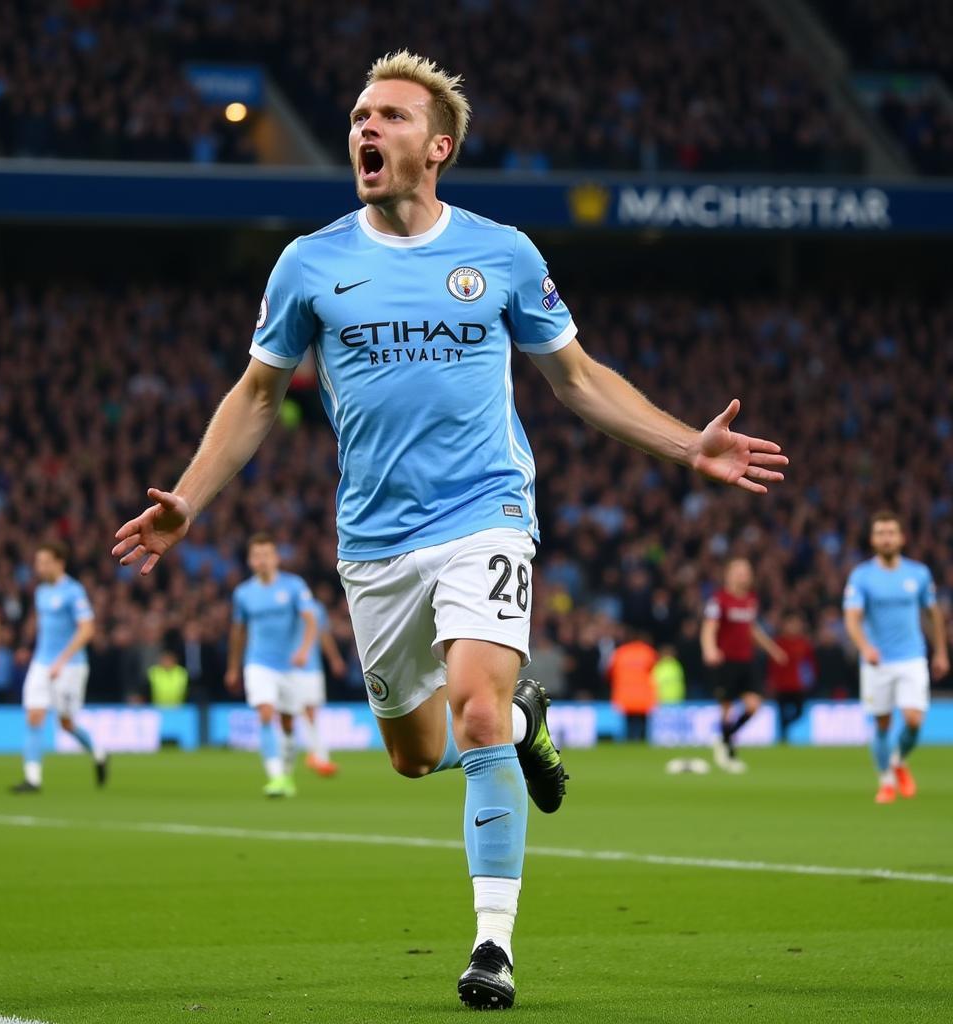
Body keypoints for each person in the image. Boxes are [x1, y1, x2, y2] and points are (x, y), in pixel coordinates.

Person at [112, 50, 786, 1009]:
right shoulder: (310, 263)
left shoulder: (503, 253)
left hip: (487, 514)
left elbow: (578, 379)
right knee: (417, 753)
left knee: (471, 710)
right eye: (357, 116)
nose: (363, 130)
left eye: (386, 116)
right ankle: (527, 724)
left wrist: (687, 447)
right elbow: (260, 395)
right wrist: (189, 498)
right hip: (375, 542)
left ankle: (493, 947)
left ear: (438, 147)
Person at [843, 511, 948, 804]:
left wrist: (940, 650)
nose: (886, 538)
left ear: (902, 537)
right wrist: (865, 647)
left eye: (891, 532)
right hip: (877, 660)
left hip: (912, 656)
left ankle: (898, 760)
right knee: (882, 724)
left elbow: (932, 613)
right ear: (872, 539)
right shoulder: (862, 576)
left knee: (914, 720)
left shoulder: (918, 573)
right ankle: (886, 780)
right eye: (880, 533)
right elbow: (852, 619)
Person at [225, 535, 317, 797]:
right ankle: (275, 777)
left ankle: (286, 775)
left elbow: (311, 622)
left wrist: (303, 651)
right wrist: (233, 668)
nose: (262, 561)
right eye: (257, 556)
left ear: (276, 557)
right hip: (258, 663)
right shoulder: (243, 593)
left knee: (288, 723)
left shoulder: (294, 586)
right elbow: (238, 632)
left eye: (266, 555)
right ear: (250, 560)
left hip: (289, 666)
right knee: (266, 714)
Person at [11, 542, 107, 793]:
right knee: (34, 716)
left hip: (70, 666)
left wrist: (62, 661)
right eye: (37, 562)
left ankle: (98, 752)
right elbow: (41, 624)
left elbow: (87, 629)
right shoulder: (41, 591)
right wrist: (26, 646)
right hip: (41, 663)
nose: (39, 567)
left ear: (59, 562)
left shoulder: (74, 592)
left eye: (44, 562)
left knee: (66, 723)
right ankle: (33, 779)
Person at [701, 558, 788, 772]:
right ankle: (728, 751)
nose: (743, 575)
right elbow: (709, 627)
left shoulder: (750, 599)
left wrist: (772, 649)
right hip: (725, 661)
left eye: (746, 572)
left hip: (746, 660)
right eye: (739, 571)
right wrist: (709, 649)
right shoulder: (719, 599)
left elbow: (752, 630)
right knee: (727, 707)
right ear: (728, 574)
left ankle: (724, 738)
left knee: (754, 705)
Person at [296, 593, 347, 777]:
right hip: (287, 668)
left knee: (309, 711)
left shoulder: (315, 608)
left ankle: (315, 754)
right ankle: (318, 755)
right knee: (300, 711)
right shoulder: (284, 607)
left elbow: (323, 635)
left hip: (311, 667)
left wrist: (334, 659)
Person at [767, 612, 817, 743]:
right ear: (784, 625)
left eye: (797, 624)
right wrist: (771, 683)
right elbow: (772, 666)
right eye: (791, 624)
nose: (794, 627)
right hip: (781, 685)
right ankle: (783, 738)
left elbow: (810, 664)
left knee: (800, 712)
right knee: (781, 713)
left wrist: (810, 679)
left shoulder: (804, 643)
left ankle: (785, 728)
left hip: (798, 685)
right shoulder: (778, 643)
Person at [608, 631, 658, 742]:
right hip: (643, 694)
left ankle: (629, 740)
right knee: (643, 721)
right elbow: (655, 669)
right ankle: (642, 740)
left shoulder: (620, 653)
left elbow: (610, 672)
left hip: (625, 694)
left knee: (628, 721)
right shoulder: (647, 652)